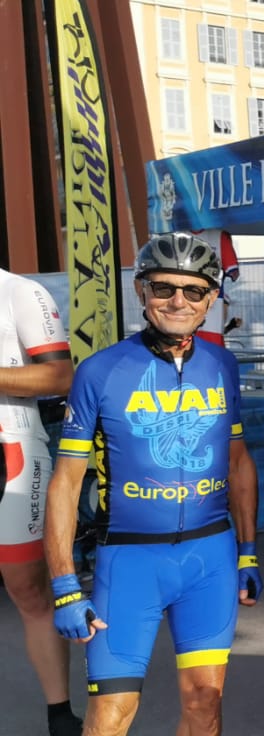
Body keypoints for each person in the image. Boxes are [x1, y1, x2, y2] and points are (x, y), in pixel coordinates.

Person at [43, 233, 259, 736]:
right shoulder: (100, 371)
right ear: (142, 291)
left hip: (209, 559)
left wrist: (249, 551)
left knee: (205, 708)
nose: (178, 301)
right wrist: (64, 585)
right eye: (164, 288)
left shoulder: (222, 365)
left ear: (211, 298)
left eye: (193, 290)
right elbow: (65, 484)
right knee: (111, 716)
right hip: (130, 560)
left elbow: (238, 462)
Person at [0, 266, 81, 735]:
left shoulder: (18, 291)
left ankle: (59, 716)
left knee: (27, 589)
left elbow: (59, 375)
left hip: (11, 451)